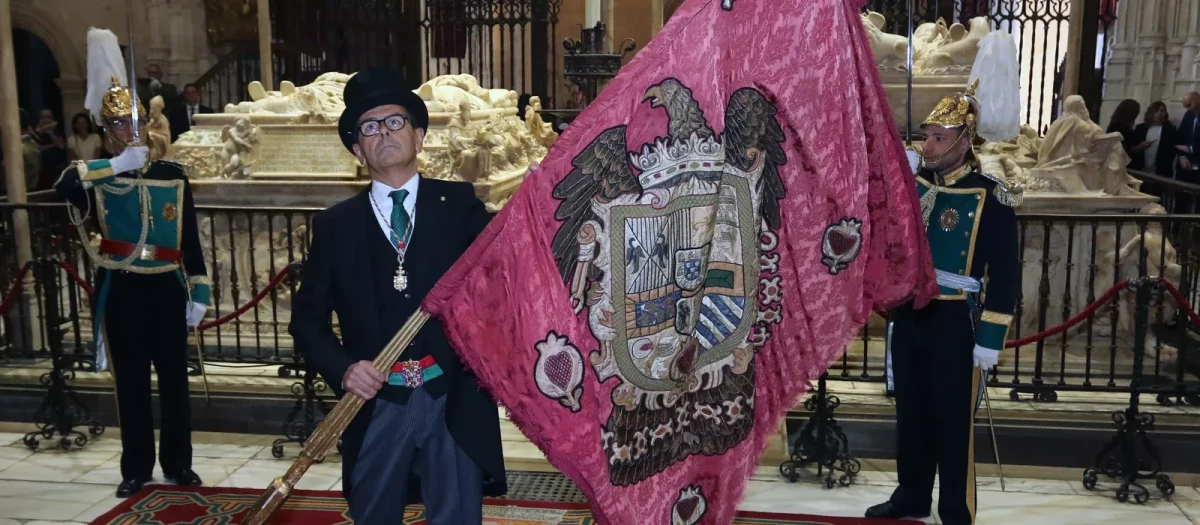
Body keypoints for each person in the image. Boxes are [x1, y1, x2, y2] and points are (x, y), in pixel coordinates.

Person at [289, 68, 506, 523]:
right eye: (369, 127)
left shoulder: (460, 206)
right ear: (356, 148)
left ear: (419, 136)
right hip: (374, 401)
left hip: (452, 396)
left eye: (395, 122)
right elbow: (306, 321)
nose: (383, 133)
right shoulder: (336, 226)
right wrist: (345, 369)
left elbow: (505, 271)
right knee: (374, 514)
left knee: (456, 516)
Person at [54, 28, 211, 499]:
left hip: (166, 284)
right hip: (121, 284)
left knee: (175, 381)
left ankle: (179, 463)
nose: (129, 131)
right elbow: (67, 186)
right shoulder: (98, 175)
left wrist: (199, 292)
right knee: (132, 384)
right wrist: (115, 166)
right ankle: (137, 466)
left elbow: (190, 240)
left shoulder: (172, 174)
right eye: (119, 126)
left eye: (134, 122)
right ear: (106, 131)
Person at [866, 80, 1020, 525]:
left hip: (956, 318)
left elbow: (1005, 274)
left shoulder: (991, 195)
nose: (928, 145)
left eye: (938, 137)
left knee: (953, 421)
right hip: (910, 311)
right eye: (926, 135)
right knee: (912, 413)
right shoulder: (910, 184)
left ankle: (955, 508)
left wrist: (990, 338)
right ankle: (911, 496)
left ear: (964, 141)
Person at [1133, 101, 1177, 176]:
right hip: (1140, 170)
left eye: (1162, 111)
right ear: (1150, 113)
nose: (1159, 113)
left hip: (1161, 172)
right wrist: (1140, 147)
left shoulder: (1170, 129)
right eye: (1156, 111)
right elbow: (1132, 148)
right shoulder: (1140, 128)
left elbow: (1171, 152)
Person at [1177, 91, 1200, 183]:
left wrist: (1191, 148)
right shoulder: (1188, 115)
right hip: (1186, 166)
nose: (1188, 109)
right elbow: (1180, 136)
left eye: (1189, 105)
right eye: (1185, 106)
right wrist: (1182, 156)